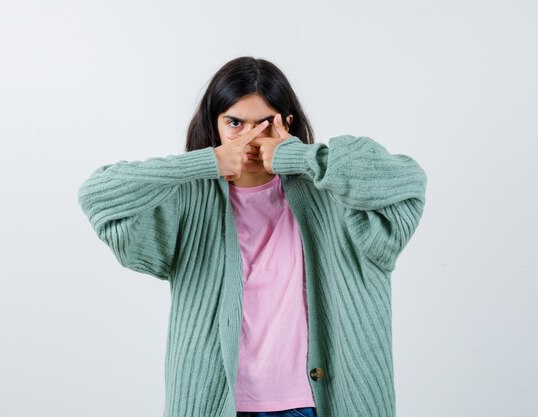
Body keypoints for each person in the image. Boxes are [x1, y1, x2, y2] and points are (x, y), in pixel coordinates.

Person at [77, 56, 427, 417]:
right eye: (234, 123)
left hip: (309, 404)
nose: (250, 137)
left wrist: (300, 157)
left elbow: (407, 181)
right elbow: (98, 194)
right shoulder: (188, 201)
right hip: (217, 404)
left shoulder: (332, 195)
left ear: (286, 124)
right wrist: (207, 162)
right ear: (215, 126)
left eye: (264, 123)